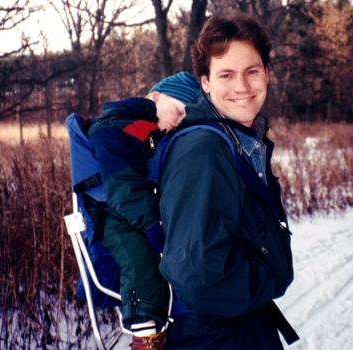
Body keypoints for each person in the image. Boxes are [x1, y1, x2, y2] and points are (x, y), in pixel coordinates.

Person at [155, 12, 298, 349]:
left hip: (240, 322)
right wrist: (269, 279)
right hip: (217, 335)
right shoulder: (204, 150)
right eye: (226, 74)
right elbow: (196, 274)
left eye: (251, 71)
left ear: (267, 73)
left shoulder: (236, 139)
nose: (242, 87)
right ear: (205, 82)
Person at [86, 71, 200, 349]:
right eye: (179, 111)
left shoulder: (152, 132)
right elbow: (125, 188)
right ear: (155, 96)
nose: (179, 121)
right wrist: (153, 225)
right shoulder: (114, 128)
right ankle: (144, 334)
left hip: (141, 211)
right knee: (142, 260)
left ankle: (172, 325)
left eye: (186, 117)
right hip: (116, 216)